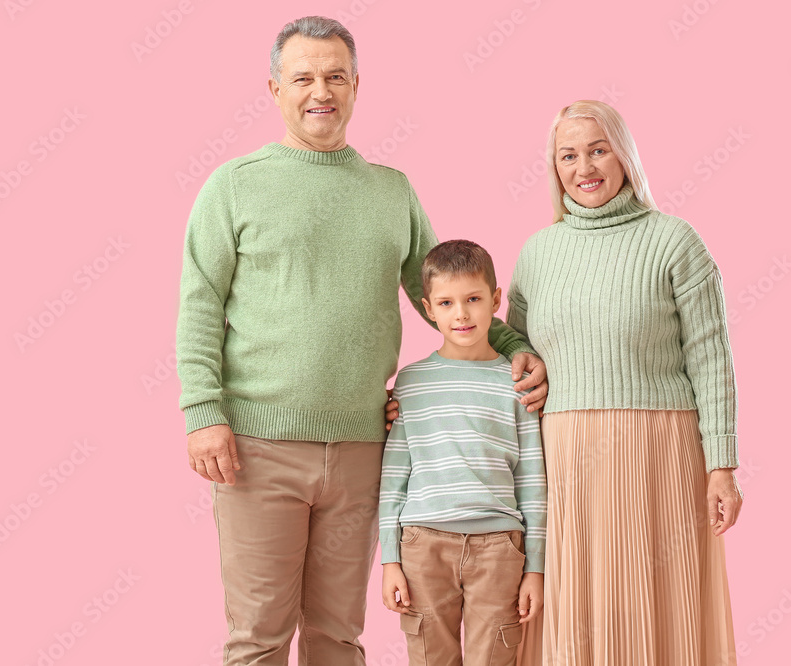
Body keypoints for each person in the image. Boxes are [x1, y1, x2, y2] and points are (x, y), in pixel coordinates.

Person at [176, 16, 549, 666]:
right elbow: (200, 302)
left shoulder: (390, 191)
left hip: (360, 452)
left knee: (338, 637)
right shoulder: (233, 186)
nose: (320, 91)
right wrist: (203, 412)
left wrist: (512, 343)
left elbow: (441, 292)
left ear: (355, 86)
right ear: (274, 87)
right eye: (303, 78)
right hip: (257, 450)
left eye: (335, 76)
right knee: (258, 638)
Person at [507, 100, 744, 664]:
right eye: (569, 155)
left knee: (659, 600)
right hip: (564, 456)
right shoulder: (538, 253)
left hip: (661, 453)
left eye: (598, 148)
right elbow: (512, 349)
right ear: (554, 166)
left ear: (624, 155)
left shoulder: (675, 242)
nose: (584, 166)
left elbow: (712, 361)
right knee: (572, 603)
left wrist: (722, 467)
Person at [379, 240, 546, 666]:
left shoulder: (517, 384)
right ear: (428, 308)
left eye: (473, 299)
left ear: (494, 300)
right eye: (447, 303)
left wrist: (536, 568)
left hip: (500, 549)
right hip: (423, 545)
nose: (462, 314)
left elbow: (532, 480)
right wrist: (391, 560)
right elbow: (393, 477)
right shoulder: (411, 384)